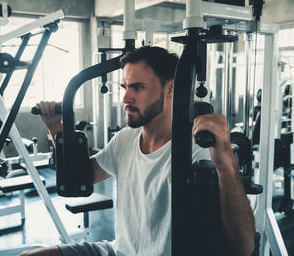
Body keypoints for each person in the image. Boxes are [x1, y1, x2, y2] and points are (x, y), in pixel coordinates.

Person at [19, 46, 255, 256]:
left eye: (137, 87)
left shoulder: (197, 153)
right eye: (124, 87)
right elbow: (81, 178)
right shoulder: (126, 139)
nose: (125, 97)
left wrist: (226, 162)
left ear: (170, 88)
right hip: (117, 250)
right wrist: (56, 128)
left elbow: (243, 247)